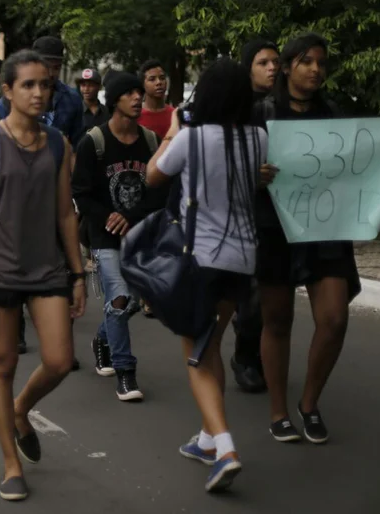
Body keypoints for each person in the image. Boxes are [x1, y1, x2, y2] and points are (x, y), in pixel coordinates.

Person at [0, 50, 86, 502]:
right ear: (7, 91)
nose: (38, 92)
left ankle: (20, 409)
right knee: (3, 364)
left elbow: (65, 215)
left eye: (44, 85)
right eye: (28, 85)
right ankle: (11, 463)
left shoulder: (57, 143)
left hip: (47, 266)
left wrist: (77, 273)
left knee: (58, 359)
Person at [146, 58, 266, 492]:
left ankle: (226, 449)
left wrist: (173, 129)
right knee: (213, 344)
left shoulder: (192, 138)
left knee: (195, 355)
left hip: (200, 257)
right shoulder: (258, 138)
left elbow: (152, 175)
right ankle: (205, 439)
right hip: (242, 258)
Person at [256, 33, 358, 444]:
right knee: (278, 319)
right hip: (275, 226)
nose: (316, 70)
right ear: (286, 67)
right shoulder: (261, 112)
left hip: (326, 228)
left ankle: (309, 404)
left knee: (334, 319)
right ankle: (279, 411)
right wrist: (254, 173)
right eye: (306, 61)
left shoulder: (333, 113)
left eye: (321, 63)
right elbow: (237, 164)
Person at [72, 71, 165, 402]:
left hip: (140, 234)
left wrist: (131, 216)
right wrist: (107, 216)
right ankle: (126, 372)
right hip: (105, 235)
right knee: (119, 298)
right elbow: (80, 192)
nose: (138, 98)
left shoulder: (151, 141)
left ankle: (102, 339)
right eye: (130, 93)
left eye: (140, 92)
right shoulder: (93, 142)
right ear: (114, 100)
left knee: (133, 303)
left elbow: (159, 191)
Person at [227, 39, 280, 394]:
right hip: (242, 214)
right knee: (251, 298)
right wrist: (250, 175)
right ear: (248, 67)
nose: (272, 68)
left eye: (276, 62)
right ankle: (245, 357)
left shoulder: (288, 107)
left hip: (283, 215)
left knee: (275, 296)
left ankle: (264, 355)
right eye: (263, 62)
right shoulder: (233, 109)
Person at [0, 36, 84, 150]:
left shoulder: (72, 99)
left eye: (56, 68)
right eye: (46, 67)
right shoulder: (10, 100)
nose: (50, 73)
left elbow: (77, 145)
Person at [137, 60, 175, 138]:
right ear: (143, 84)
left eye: (162, 78)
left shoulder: (175, 115)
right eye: (152, 79)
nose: (159, 82)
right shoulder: (136, 115)